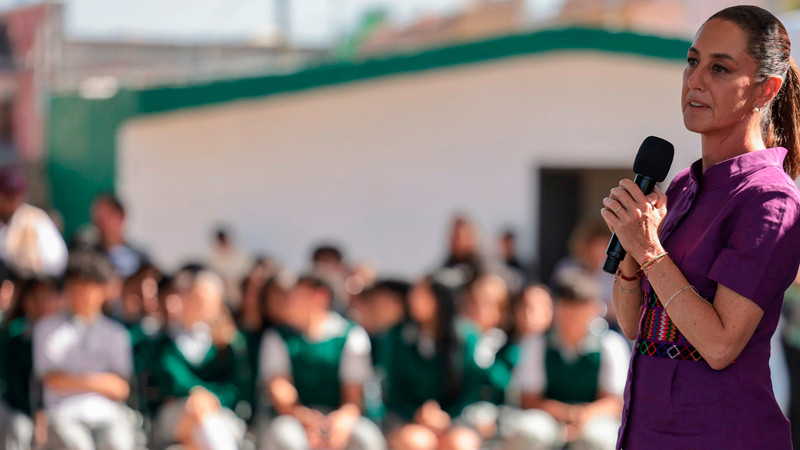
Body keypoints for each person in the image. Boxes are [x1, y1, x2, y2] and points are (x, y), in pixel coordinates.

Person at [600, 6, 800, 448]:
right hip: (646, 431)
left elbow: (721, 344)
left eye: (720, 68)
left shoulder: (769, 200)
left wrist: (650, 248)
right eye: (692, 61)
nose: (696, 80)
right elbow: (634, 326)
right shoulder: (686, 184)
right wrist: (632, 248)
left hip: (720, 434)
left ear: (766, 89)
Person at [259, 275, 385, 450]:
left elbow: (353, 396)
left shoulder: (351, 335)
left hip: (337, 417)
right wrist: (305, 418)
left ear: (320, 297)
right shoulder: (277, 336)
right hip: (296, 418)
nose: (288, 301)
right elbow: (280, 387)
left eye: (296, 295)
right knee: (284, 437)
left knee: (366, 438)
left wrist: (341, 422)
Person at [509, 274, 629, 450]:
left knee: (597, 439)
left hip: (593, 420)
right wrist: (568, 414)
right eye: (567, 307)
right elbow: (529, 399)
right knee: (527, 432)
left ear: (593, 310)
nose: (572, 316)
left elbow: (615, 401)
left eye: (579, 309)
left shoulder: (610, 345)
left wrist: (583, 416)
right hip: (549, 419)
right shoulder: (537, 344)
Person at [32, 250, 136, 450]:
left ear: (103, 290)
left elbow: (121, 387)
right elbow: (51, 379)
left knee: (119, 443)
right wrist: (102, 382)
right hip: (62, 414)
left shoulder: (116, 333)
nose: (81, 294)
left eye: (88, 287)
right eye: (75, 287)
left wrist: (74, 380)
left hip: (108, 414)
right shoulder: (47, 328)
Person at [150, 270, 250, 450]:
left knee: (207, 423)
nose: (200, 305)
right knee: (199, 416)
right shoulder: (162, 342)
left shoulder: (228, 344)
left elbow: (235, 388)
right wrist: (197, 394)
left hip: (218, 412)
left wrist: (210, 398)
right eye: (195, 298)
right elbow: (169, 380)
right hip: (178, 413)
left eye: (206, 301)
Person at [0, 277, 63, 450]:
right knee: (19, 427)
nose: (42, 303)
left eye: (47, 296)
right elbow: (16, 384)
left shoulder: (66, 334)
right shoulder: (16, 335)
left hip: (63, 408)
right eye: (35, 297)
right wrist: (36, 415)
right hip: (20, 408)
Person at [0, 168, 67, 278]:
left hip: (26, 285)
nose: (12, 202)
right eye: (7, 196)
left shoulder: (36, 219)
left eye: (15, 196)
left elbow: (56, 261)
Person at [90, 194, 148, 278]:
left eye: (107, 217)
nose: (102, 224)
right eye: (99, 218)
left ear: (121, 216)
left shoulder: (141, 258)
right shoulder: (88, 256)